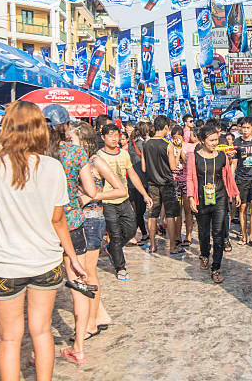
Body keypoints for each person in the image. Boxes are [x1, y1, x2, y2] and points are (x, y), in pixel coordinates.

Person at [0, 101, 88, 377]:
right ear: (40, 129)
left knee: (10, 338)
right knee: (41, 332)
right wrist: (73, 257)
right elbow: (58, 220)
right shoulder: (52, 167)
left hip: (6, 263)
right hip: (46, 261)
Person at [45, 105, 99, 365]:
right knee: (78, 284)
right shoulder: (75, 152)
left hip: (42, 227)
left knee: (40, 292)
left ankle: (38, 351)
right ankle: (78, 345)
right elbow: (91, 189)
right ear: (66, 125)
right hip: (72, 223)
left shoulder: (37, 153)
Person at [75, 122, 127, 341]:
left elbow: (120, 190)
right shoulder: (76, 160)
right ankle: (101, 315)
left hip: (92, 220)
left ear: (83, 141)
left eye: (73, 140)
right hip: (77, 220)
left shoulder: (96, 161)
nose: (69, 144)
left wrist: (93, 195)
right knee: (83, 271)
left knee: (87, 272)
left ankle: (91, 323)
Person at [187, 124, 240, 283]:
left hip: (220, 198)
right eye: (211, 140)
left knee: (218, 234)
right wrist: (190, 197)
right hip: (201, 199)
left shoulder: (223, 156)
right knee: (204, 233)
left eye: (216, 140)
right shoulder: (193, 157)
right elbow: (190, 178)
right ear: (202, 140)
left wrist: (235, 193)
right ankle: (204, 254)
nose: (214, 143)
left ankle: (216, 267)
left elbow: (229, 177)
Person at [99, 123, 152, 280]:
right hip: (108, 201)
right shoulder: (98, 157)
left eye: (117, 135)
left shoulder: (124, 154)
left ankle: (112, 249)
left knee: (130, 230)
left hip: (124, 199)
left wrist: (144, 194)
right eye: (110, 135)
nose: (115, 138)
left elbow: (133, 175)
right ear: (103, 137)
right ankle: (120, 267)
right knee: (115, 234)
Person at [142, 116, 183, 255]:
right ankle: (172, 247)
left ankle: (152, 245)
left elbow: (143, 168)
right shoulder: (168, 145)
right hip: (167, 184)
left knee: (152, 215)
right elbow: (173, 166)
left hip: (152, 183)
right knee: (170, 215)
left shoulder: (146, 144)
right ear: (166, 127)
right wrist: (178, 153)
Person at [231, 117, 252, 248]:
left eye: (247, 128)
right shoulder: (237, 142)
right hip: (241, 178)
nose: (245, 130)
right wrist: (230, 178)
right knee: (242, 208)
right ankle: (244, 235)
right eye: (243, 128)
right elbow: (234, 162)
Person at [128, 122, 151, 243]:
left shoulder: (130, 144)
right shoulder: (144, 145)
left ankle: (143, 233)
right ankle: (132, 234)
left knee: (137, 210)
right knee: (140, 211)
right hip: (142, 180)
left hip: (131, 181)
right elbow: (145, 166)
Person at [171, 125, 193, 247]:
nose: (176, 140)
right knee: (177, 211)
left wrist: (180, 151)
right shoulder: (170, 147)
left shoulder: (189, 147)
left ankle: (188, 236)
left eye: (178, 137)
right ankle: (178, 235)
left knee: (188, 210)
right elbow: (171, 165)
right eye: (174, 138)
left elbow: (189, 164)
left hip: (186, 181)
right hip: (174, 181)